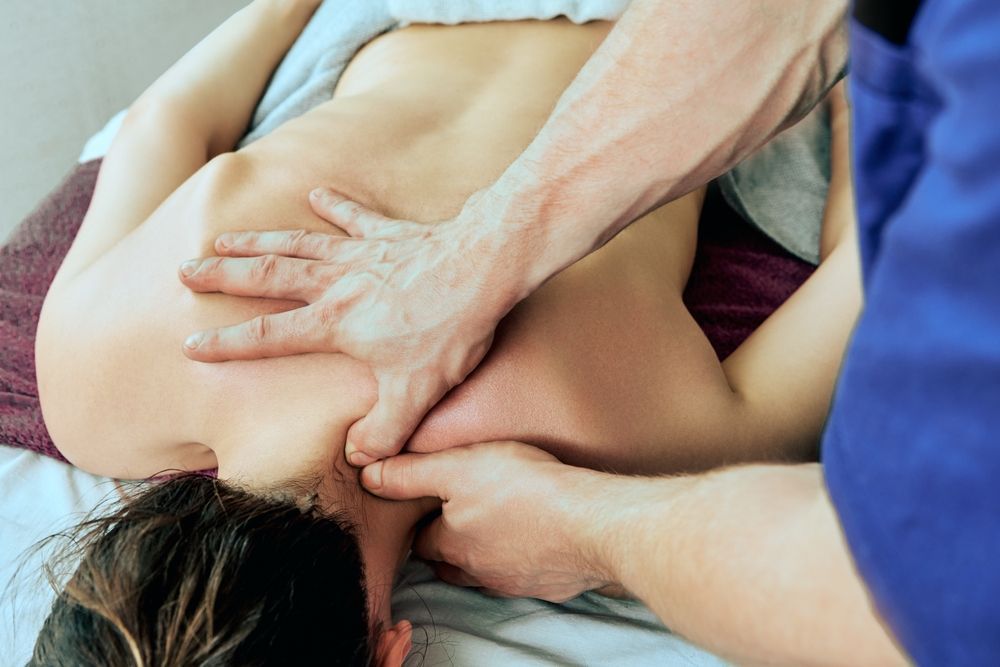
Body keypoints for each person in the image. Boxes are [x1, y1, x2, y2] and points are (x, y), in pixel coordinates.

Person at [32, 0, 860, 664]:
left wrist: (872, 54)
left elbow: (869, 273)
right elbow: (159, 121)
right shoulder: (87, 377)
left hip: (688, 41)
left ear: (388, 653)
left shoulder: (624, 451)